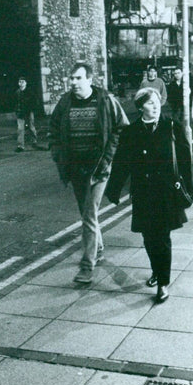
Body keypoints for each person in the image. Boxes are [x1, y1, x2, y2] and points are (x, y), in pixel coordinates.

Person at [105, 88, 193, 302]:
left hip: (165, 193)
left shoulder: (171, 126)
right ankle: (156, 270)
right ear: (140, 106)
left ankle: (163, 282)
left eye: (157, 102)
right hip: (143, 194)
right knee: (148, 237)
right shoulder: (131, 131)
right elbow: (121, 162)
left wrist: (190, 189)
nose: (155, 106)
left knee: (162, 237)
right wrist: (114, 188)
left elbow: (185, 160)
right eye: (150, 103)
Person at [49, 61, 129, 284]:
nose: (73, 82)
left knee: (89, 213)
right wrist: (57, 153)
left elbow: (122, 127)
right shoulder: (65, 102)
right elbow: (53, 128)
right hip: (75, 167)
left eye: (78, 78)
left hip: (98, 168)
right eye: (71, 78)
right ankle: (99, 249)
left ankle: (87, 266)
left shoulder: (105, 100)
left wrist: (109, 156)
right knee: (87, 214)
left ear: (89, 80)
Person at [14, 77, 39, 152]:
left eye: (22, 82)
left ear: (26, 83)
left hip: (28, 112)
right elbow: (15, 102)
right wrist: (16, 110)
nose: (21, 83)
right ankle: (20, 145)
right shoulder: (17, 92)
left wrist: (31, 109)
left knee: (31, 127)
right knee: (20, 129)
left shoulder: (30, 92)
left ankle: (34, 142)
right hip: (20, 113)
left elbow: (34, 101)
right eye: (20, 82)